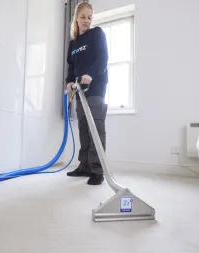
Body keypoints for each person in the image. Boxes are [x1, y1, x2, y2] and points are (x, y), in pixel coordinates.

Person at [65, 2, 109, 185]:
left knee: (95, 127)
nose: (86, 21)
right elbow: (72, 67)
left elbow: (103, 58)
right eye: (83, 17)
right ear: (76, 17)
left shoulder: (96, 34)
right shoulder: (74, 43)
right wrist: (69, 82)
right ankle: (84, 166)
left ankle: (98, 171)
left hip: (96, 88)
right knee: (83, 126)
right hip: (80, 90)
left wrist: (90, 74)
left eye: (89, 17)